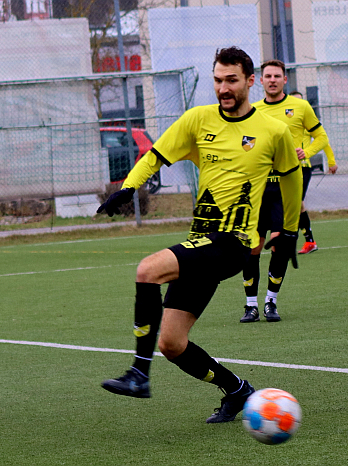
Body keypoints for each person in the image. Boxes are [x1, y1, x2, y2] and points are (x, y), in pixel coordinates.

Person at [97, 46, 302, 423]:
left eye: (231, 80)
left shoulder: (273, 130)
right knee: (172, 344)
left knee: (148, 269)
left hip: (234, 242)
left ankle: (139, 374)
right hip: (201, 241)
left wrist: (288, 230)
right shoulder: (198, 120)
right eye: (218, 80)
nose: (223, 88)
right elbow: (156, 154)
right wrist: (129, 187)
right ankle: (238, 389)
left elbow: (291, 179)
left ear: (250, 81)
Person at [239, 61, 330, 323]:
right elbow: (244, 143)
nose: (272, 80)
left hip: (285, 187)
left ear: (284, 80)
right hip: (257, 188)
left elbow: (321, 136)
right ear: (258, 80)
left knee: (279, 244)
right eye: (268, 76)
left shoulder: (300, 107)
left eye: (277, 76)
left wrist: (307, 152)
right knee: (252, 247)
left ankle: (271, 302)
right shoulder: (252, 110)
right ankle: (250, 305)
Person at [290, 90, 338, 254]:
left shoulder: (308, 122)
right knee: (297, 204)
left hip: (303, 168)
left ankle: (301, 240)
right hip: (286, 168)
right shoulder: (287, 123)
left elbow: (323, 140)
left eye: (301, 102)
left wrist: (331, 161)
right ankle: (309, 240)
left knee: (294, 204)